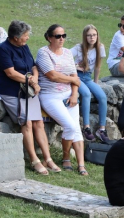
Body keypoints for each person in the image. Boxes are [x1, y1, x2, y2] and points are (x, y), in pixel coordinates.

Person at [0, 20, 61, 175]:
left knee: (38, 122)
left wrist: (35, 78)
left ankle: (48, 158)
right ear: (16, 37)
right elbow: (10, 73)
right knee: (27, 123)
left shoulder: (24, 47)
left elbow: (33, 66)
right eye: (25, 35)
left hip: (29, 90)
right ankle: (34, 160)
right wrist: (30, 80)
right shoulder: (3, 49)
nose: (28, 38)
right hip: (12, 91)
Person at [36, 24, 88, 176]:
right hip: (50, 94)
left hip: (68, 94)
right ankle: (65, 157)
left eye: (63, 36)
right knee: (70, 126)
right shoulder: (43, 52)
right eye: (58, 36)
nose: (61, 39)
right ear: (49, 38)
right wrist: (74, 81)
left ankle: (81, 164)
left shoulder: (67, 53)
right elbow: (51, 75)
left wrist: (74, 93)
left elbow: (74, 75)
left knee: (76, 129)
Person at [71, 24, 109, 143]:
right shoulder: (78, 48)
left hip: (88, 77)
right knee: (86, 94)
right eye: (89, 35)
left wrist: (96, 82)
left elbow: (97, 67)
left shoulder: (100, 48)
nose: (92, 37)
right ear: (85, 37)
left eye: (94, 35)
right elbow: (65, 58)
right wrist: (76, 66)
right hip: (77, 76)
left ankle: (101, 129)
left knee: (102, 96)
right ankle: (86, 127)